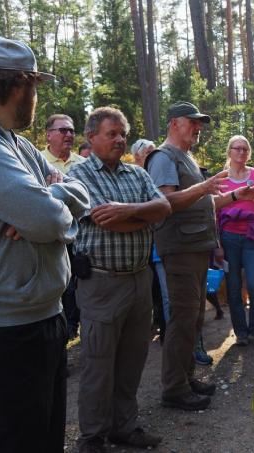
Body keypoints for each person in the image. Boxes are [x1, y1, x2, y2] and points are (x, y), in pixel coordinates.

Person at [0, 37, 90, 452]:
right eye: (35, 86)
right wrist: (45, 209)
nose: (36, 97)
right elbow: (47, 220)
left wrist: (50, 198)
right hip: (0, 331)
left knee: (43, 439)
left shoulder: (17, 143)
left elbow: (80, 193)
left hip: (38, 319)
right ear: (18, 86)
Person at [145, 101, 254, 411]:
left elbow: (206, 203)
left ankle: (185, 379)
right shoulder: (163, 157)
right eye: (192, 121)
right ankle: (174, 388)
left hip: (197, 248)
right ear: (174, 123)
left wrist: (236, 195)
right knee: (183, 318)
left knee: (194, 317)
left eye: (199, 122)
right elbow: (165, 202)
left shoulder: (186, 157)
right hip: (180, 250)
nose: (198, 127)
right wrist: (202, 188)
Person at [69, 107, 171, 453]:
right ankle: (92, 436)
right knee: (98, 364)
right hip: (101, 283)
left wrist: (128, 211)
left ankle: (124, 427)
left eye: (122, 134)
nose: (119, 140)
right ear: (91, 137)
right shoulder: (78, 175)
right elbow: (104, 218)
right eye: (111, 133)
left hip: (139, 280)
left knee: (132, 361)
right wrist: (144, 215)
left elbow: (164, 207)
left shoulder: (136, 173)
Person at [217, 135, 254, 346]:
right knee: (233, 288)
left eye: (245, 149)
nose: (241, 152)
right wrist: (217, 245)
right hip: (228, 238)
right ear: (229, 151)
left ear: (249, 153)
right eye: (237, 148)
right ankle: (241, 332)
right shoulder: (221, 179)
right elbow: (213, 212)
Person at [43, 113, 87, 340]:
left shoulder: (83, 164)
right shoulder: (36, 161)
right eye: (63, 130)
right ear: (48, 135)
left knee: (78, 281)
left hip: (81, 233)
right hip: (50, 235)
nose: (69, 134)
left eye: (71, 130)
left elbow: (88, 200)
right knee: (58, 281)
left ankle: (72, 325)